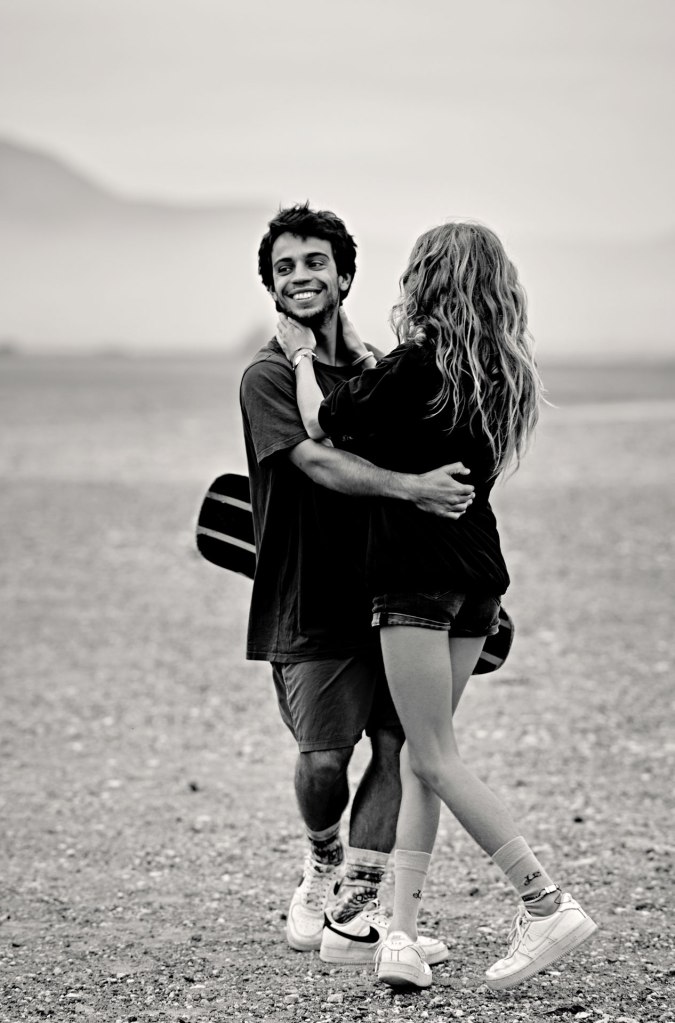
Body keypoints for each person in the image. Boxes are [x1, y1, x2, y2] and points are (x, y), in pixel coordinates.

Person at [275, 220, 597, 991]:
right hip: (477, 579)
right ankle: (404, 937)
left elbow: (321, 419)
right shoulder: (499, 369)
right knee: (426, 760)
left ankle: (543, 899)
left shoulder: (416, 367)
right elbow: (380, 407)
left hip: (415, 582)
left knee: (433, 757)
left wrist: (296, 353)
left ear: (428, 279)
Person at [239, 204, 475, 966]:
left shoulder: (381, 367)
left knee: (399, 742)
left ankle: (357, 908)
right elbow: (317, 459)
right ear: (272, 287)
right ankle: (320, 861)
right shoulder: (269, 374)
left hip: (396, 591)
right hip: (307, 595)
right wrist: (414, 489)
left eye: (314, 263)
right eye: (284, 268)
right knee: (321, 759)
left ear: (343, 274)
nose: (300, 277)